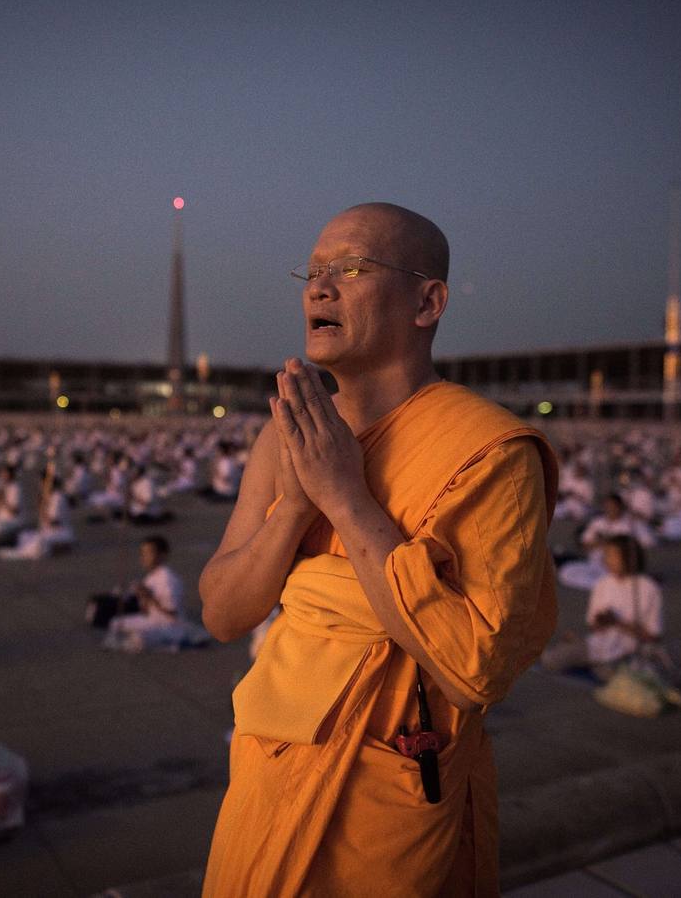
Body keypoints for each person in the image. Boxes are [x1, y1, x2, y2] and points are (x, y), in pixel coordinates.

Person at [199, 203, 558, 895]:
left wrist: (345, 499)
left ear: (428, 301)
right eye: (314, 271)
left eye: (352, 268)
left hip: (389, 782)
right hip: (271, 764)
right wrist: (296, 507)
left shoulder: (489, 453)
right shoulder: (287, 437)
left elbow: (471, 672)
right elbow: (221, 614)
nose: (319, 288)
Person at [539, 536, 662, 679]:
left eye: (612, 555)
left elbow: (653, 636)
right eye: (606, 555)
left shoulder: (648, 588)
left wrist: (617, 622)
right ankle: (583, 652)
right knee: (550, 660)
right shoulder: (603, 584)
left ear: (629, 557)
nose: (607, 560)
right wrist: (602, 622)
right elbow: (593, 626)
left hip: (629, 652)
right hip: (597, 646)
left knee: (613, 675)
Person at [104, 535, 204, 651]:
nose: (143, 557)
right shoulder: (150, 578)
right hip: (153, 622)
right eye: (142, 553)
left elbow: (172, 613)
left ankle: (171, 644)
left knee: (139, 637)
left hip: (170, 626)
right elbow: (145, 612)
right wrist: (140, 596)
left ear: (162, 555)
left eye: (148, 553)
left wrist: (150, 597)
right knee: (115, 622)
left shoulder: (168, 579)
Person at [558, 493, 656, 591]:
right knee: (566, 571)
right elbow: (584, 544)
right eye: (608, 506)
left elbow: (648, 542)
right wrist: (601, 543)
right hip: (595, 564)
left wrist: (616, 544)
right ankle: (604, 585)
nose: (610, 509)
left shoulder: (630, 524)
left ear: (620, 507)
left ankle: (611, 585)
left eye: (613, 506)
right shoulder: (597, 522)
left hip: (617, 567)